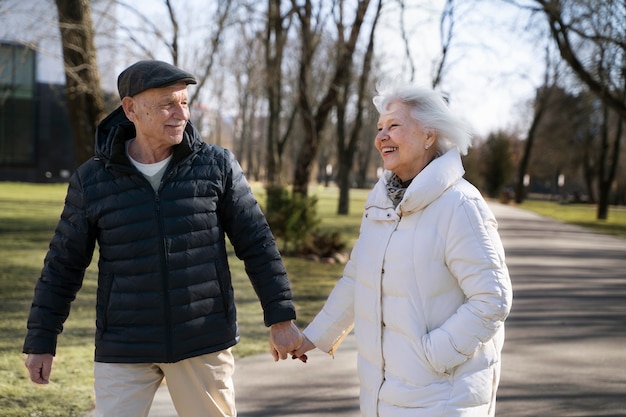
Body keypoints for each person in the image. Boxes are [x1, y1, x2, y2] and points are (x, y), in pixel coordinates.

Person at [23, 60, 303, 417]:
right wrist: (42, 340)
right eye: (168, 103)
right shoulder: (92, 180)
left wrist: (280, 319)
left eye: (184, 102)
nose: (181, 113)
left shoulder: (216, 165)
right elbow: (62, 265)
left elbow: (257, 243)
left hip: (202, 340)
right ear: (130, 108)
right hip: (125, 344)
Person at [291, 84, 513, 416]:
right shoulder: (379, 201)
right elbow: (358, 279)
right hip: (383, 394)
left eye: (394, 125)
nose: (382, 136)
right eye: (379, 128)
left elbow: (493, 298)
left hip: (442, 398)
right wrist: (314, 336)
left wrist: (431, 355)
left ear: (429, 135)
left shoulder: (460, 205)